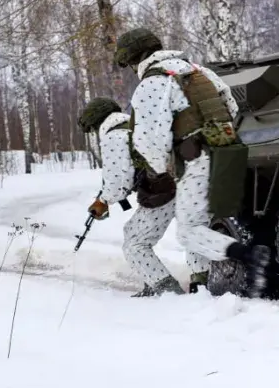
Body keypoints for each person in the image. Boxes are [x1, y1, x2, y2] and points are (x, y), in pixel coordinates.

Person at [114, 27, 270, 297]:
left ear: (135, 59)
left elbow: (150, 142)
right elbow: (231, 107)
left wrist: (159, 172)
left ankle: (248, 256)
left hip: (196, 162)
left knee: (189, 232)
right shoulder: (200, 71)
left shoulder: (152, 84)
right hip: (226, 155)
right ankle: (201, 289)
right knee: (201, 225)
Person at [78, 97, 211, 296]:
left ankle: (167, 291)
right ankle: (201, 285)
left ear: (97, 123)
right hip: (193, 179)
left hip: (165, 190)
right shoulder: (140, 123)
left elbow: (118, 182)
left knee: (134, 241)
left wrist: (103, 201)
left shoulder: (113, 137)